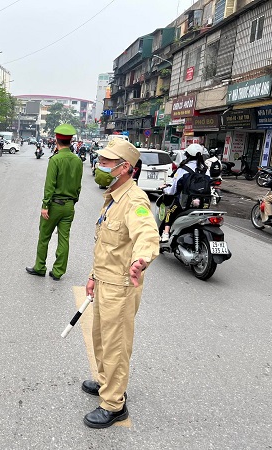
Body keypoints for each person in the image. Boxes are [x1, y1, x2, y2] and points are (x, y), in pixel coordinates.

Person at [82, 139, 159, 429]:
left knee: (115, 345)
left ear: (124, 167)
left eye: (106, 162)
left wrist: (141, 259)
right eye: (100, 160)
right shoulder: (113, 196)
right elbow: (106, 245)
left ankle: (114, 404)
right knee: (100, 338)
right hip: (104, 281)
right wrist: (92, 276)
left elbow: (147, 234)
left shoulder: (135, 199)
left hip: (121, 286)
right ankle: (106, 382)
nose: (100, 166)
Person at [25, 124, 83, 281]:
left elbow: (49, 186)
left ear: (56, 140)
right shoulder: (78, 161)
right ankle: (58, 271)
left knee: (44, 237)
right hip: (69, 206)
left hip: (54, 205)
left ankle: (40, 267)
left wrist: (45, 206)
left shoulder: (55, 160)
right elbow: (78, 186)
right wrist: (72, 201)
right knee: (64, 239)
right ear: (71, 141)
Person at [159, 143, 209, 242]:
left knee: (169, 213)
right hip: (204, 203)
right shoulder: (205, 169)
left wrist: (165, 189)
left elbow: (173, 189)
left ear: (187, 155)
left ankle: (165, 234)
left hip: (184, 202)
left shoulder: (183, 168)